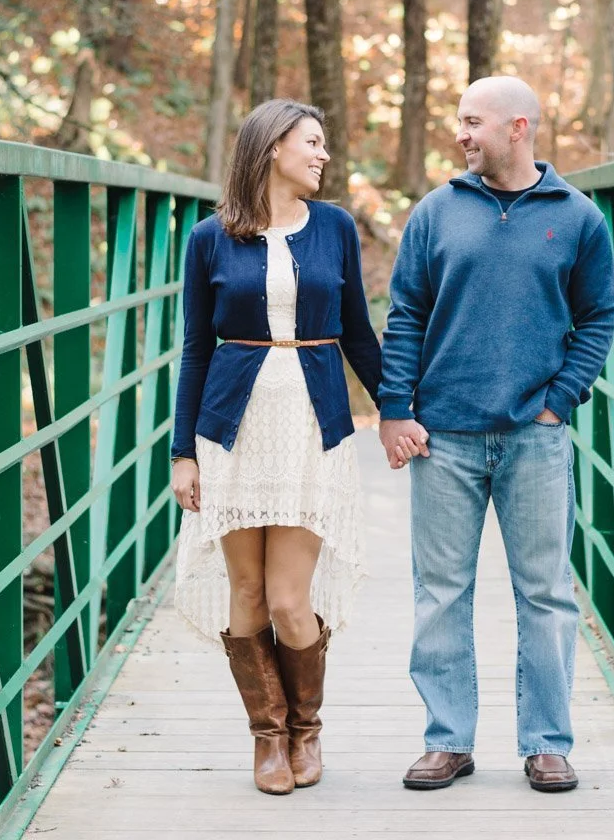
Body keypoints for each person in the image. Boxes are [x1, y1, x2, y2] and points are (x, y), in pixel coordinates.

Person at [378, 76, 614, 794]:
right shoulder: (435, 213)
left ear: (519, 128)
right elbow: (406, 315)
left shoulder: (578, 219)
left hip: (534, 437)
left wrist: (559, 401)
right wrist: (396, 406)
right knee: (441, 592)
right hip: (442, 435)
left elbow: (598, 318)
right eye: (459, 120)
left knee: (545, 593)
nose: (461, 133)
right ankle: (448, 740)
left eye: (473, 121)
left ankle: (546, 742)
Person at [169, 98, 384, 795]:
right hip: (233, 427)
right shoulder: (210, 238)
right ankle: (268, 739)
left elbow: (357, 333)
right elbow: (196, 350)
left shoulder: (335, 229)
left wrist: (400, 409)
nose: (324, 155)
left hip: (311, 427)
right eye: (313, 142)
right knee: (248, 590)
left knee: (291, 599)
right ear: (271, 149)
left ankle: (306, 728)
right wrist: (183, 451)